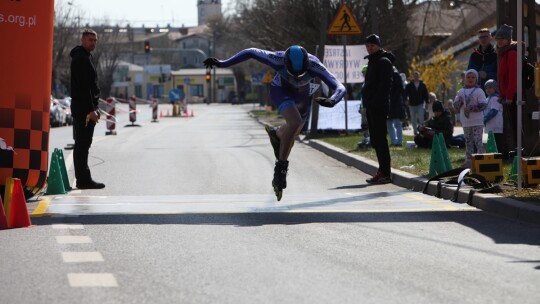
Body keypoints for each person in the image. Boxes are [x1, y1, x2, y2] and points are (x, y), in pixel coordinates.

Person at [203, 46, 345, 200]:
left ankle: (276, 134)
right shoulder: (276, 58)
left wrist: (332, 100)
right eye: (293, 74)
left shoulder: (315, 65)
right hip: (281, 90)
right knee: (295, 121)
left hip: (302, 95)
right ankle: (281, 168)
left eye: (300, 74)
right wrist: (223, 63)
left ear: (306, 66)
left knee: (295, 130)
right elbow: (250, 52)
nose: (297, 77)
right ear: (285, 63)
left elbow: (339, 86)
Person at [70, 29, 105, 189]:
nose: (93, 43)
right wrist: (91, 109)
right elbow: (84, 88)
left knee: (83, 145)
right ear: (82, 40)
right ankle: (83, 180)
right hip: (84, 110)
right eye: (90, 40)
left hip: (85, 108)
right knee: (82, 145)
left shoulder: (85, 57)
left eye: (95, 40)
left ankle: (83, 179)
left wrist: (95, 106)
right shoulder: (81, 59)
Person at [362, 34, 394, 184]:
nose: (370, 48)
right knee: (375, 140)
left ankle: (385, 173)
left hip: (379, 106)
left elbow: (385, 86)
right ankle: (381, 170)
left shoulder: (384, 62)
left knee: (380, 139)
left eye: (372, 45)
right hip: (370, 106)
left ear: (378, 46)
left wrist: (375, 101)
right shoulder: (372, 62)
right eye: (368, 46)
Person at [453, 69, 487, 168]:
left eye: (473, 77)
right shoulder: (461, 91)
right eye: (468, 77)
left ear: (476, 80)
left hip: (477, 121)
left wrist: (471, 108)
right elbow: (456, 105)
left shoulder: (479, 91)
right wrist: (459, 103)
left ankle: (481, 160)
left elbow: (483, 105)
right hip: (466, 121)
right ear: (464, 79)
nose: (470, 79)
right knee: (468, 142)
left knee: (478, 141)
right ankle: (469, 161)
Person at [494, 24, 518, 160]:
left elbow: (513, 77)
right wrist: (501, 95)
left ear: (509, 39)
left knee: (514, 125)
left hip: (513, 96)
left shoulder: (511, 53)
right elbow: (502, 77)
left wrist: (508, 95)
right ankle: (513, 152)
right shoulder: (503, 53)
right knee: (509, 126)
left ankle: (518, 152)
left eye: (503, 38)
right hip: (506, 96)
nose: (500, 41)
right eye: (498, 39)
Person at [483, 79, 504, 156]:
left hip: (496, 125)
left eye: (490, 87)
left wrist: (484, 119)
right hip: (490, 125)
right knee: (491, 141)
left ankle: (500, 156)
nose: (488, 89)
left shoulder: (496, 98)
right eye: (486, 88)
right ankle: (493, 155)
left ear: (495, 88)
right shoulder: (487, 99)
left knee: (498, 142)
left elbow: (493, 111)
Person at [405, 71, 429, 135]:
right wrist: (406, 100)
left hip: (420, 104)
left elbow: (426, 94)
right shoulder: (409, 85)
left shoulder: (423, 85)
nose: (416, 77)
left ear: (419, 77)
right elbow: (405, 93)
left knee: (421, 118)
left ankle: (421, 131)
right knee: (413, 119)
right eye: (415, 76)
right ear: (413, 77)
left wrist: (427, 103)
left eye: (417, 76)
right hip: (412, 104)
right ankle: (415, 131)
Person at [387, 66, 405, 147]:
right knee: (389, 123)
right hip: (388, 103)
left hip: (395, 103)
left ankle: (399, 141)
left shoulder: (396, 75)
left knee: (397, 123)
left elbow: (400, 88)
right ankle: (394, 141)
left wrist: (392, 98)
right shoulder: (385, 75)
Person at [357, 65, 371, 148]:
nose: (364, 74)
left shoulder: (371, 82)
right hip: (363, 107)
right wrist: (360, 107)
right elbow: (362, 97)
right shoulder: (364, 83)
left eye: (365, 73)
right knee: (364, 125)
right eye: (363, 73)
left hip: (368, 107)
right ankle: (365, 139)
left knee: (370, 124)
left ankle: (370, 140)